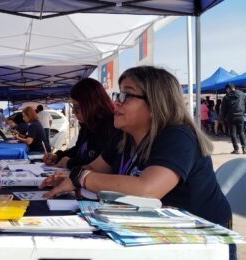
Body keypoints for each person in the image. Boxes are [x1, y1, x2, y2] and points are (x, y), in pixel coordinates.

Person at [40, 66, 232, 229]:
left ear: (156, 102)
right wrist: (69, 179)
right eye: (117, 94)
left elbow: (147, 190)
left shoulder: (177, 136)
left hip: (200, 237)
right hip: (150, 226)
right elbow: (92, 169)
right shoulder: (123, 136)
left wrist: (80, 178)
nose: (115, 102)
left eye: (126, 95)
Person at [42, 78, 119, 169]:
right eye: (73, 107)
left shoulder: (110, 127)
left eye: (77, 107)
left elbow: (96, 163)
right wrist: (57, 156)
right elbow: (78, 150)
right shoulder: (87, 125)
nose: (74, 112)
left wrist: (69, 162)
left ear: (91, 104)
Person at [221, 83, 246, 154]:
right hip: (241, 116)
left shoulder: (226, 97)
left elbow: (223, 109)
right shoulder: (242, 94)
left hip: (231, 117)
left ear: (228, 89)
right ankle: (244, 149)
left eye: (227, 90)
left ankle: (236, 149)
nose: (227, 91)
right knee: (241, 132)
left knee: (233, 133)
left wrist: (222, 118)